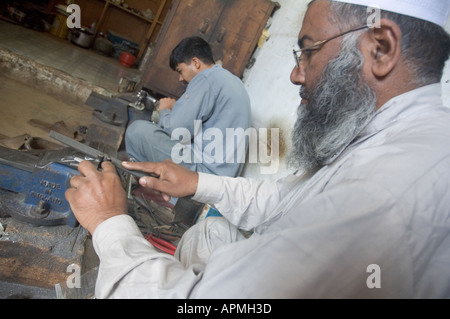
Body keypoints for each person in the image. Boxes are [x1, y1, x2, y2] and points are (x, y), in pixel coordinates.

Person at [66, 0, 450, 298]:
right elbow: (282, 198)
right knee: (210, 233)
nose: (296, 74)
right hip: (212, 170)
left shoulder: (381, 193)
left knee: (140, 132)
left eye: (309, 51)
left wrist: (110, 224)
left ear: (381, 48)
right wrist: (197, 182)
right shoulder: (400, 134)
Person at [125, 36, 251, 178]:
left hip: (205, 172)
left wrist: (165, 110)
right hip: (221, 173)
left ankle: (138, 180)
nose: (180, 78)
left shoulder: (206, 79)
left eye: (180, 71)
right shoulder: (231, 80)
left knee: (137, 131)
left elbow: (175, 131)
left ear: (195, 63)